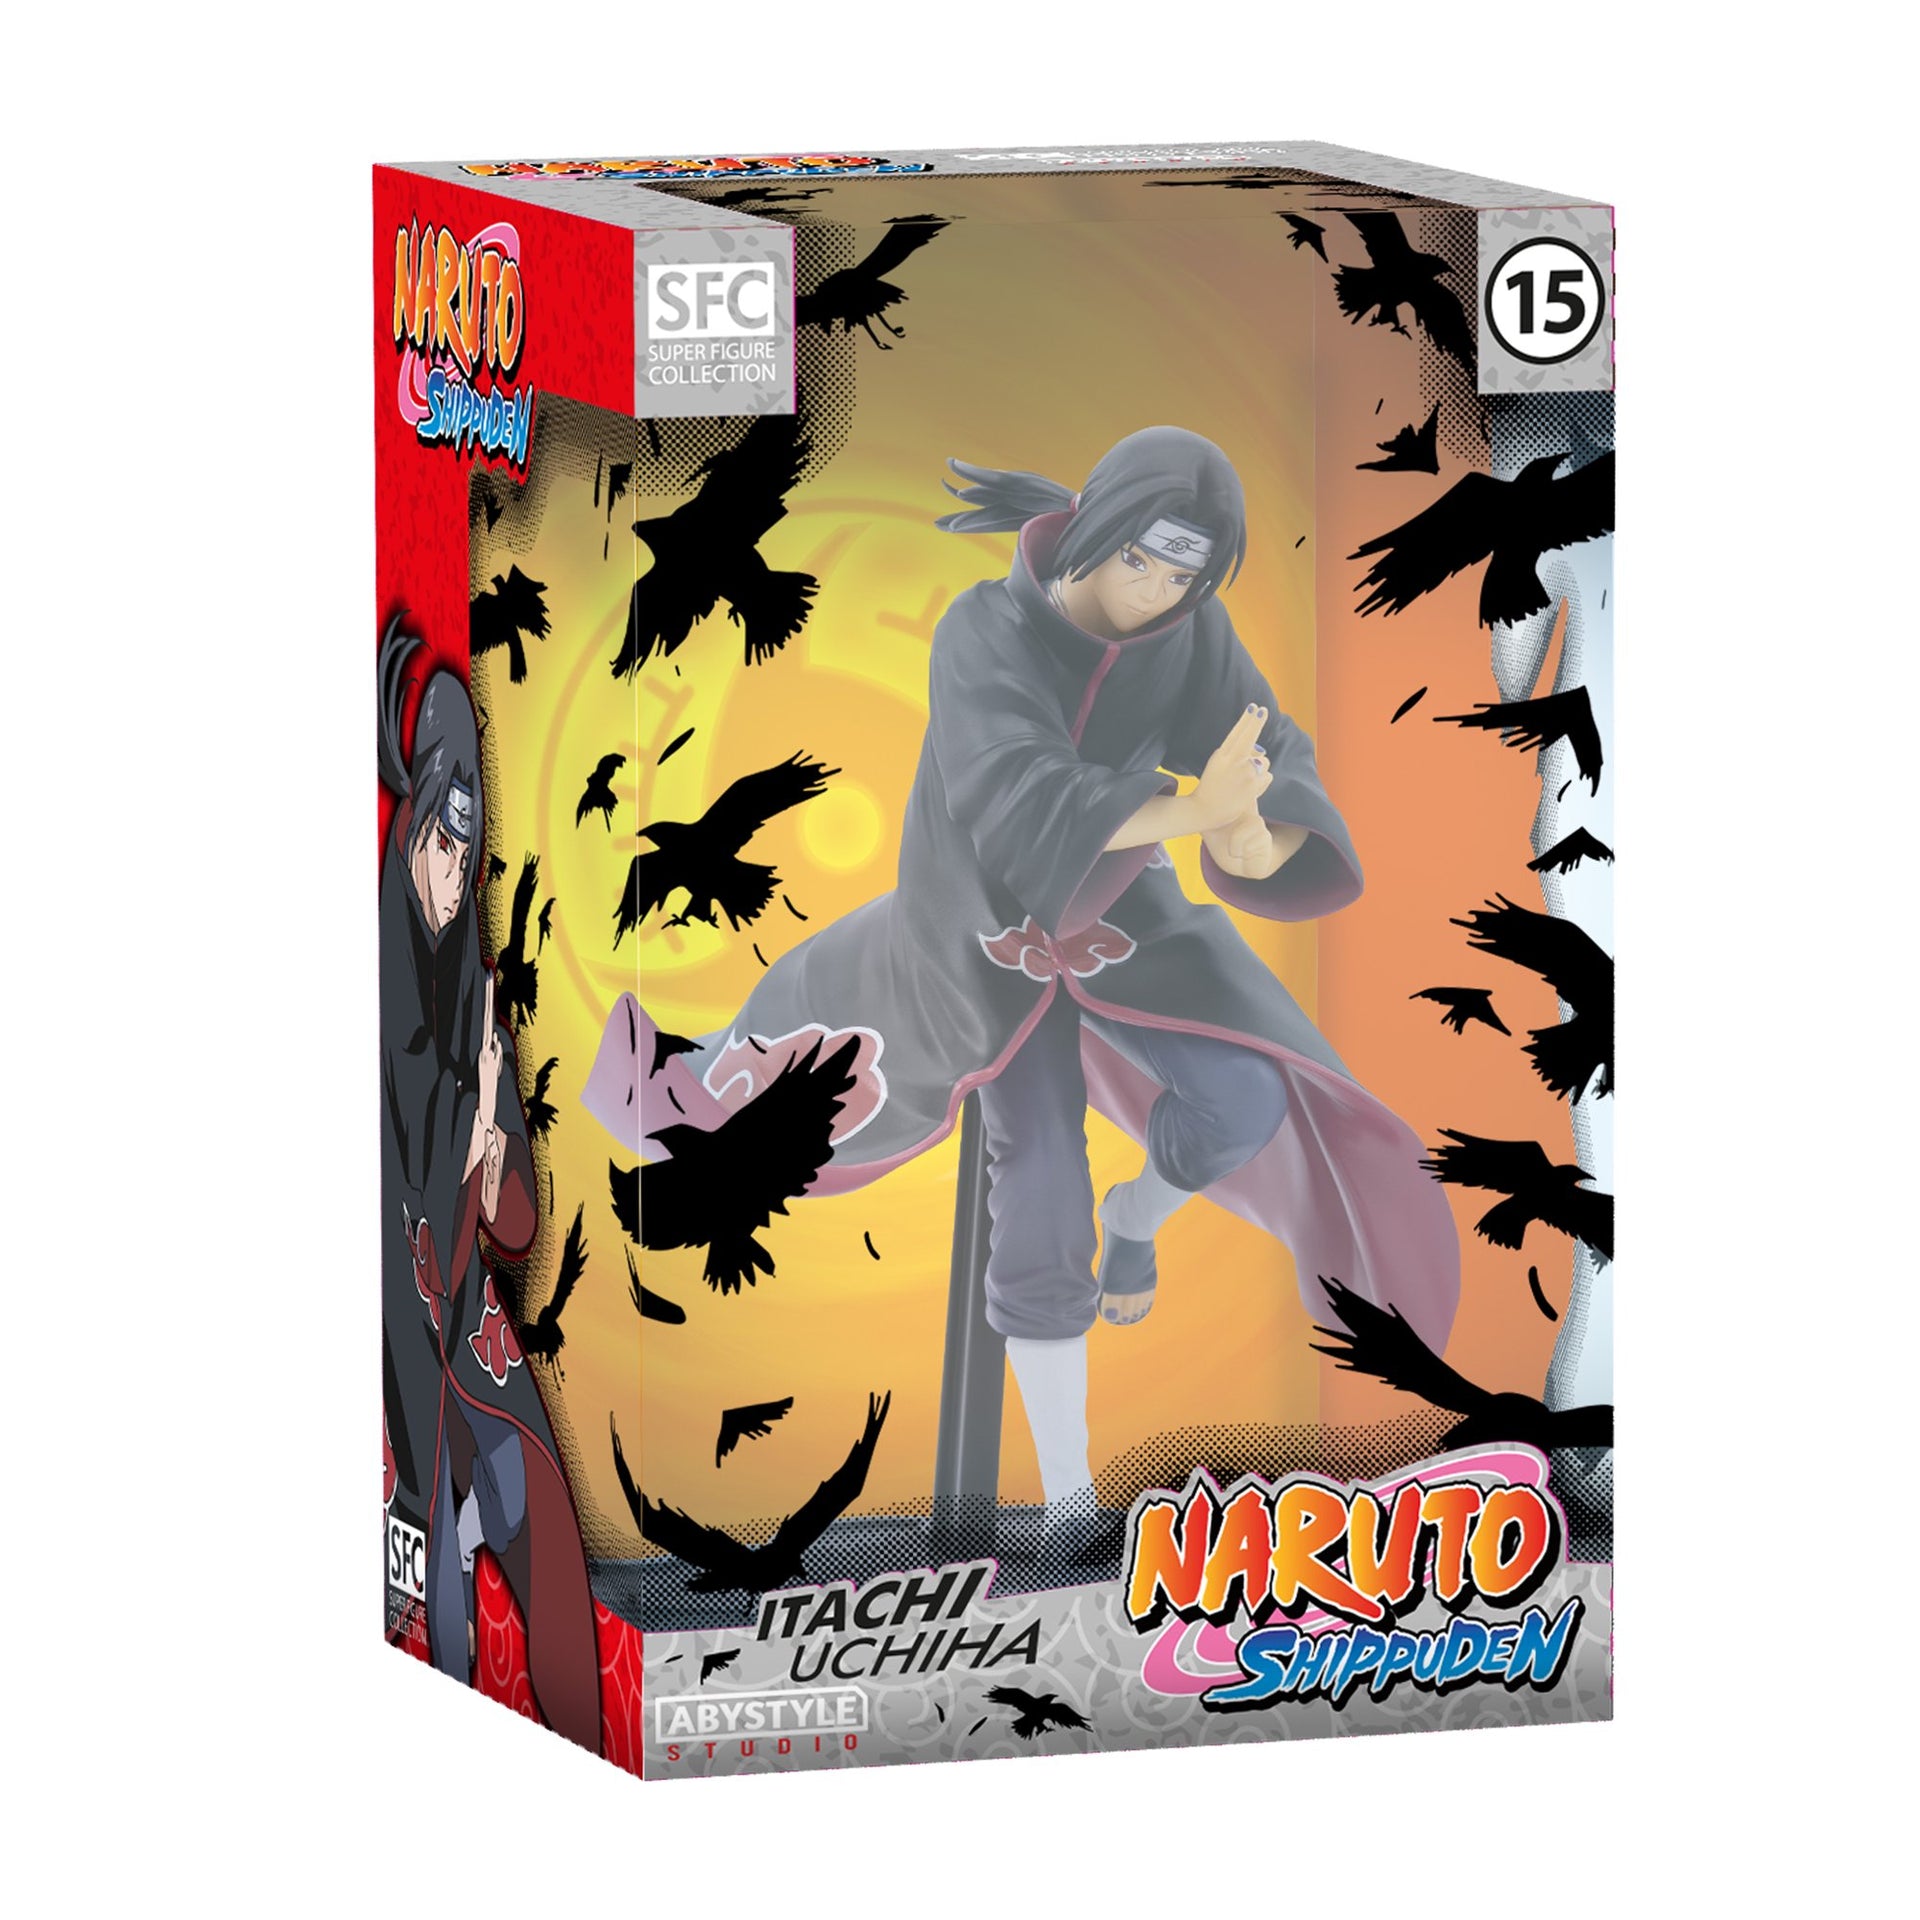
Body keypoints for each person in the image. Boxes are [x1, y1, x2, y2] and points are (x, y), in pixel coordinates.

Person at [598, 427, 1458, 1531]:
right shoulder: (982, 631)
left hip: (1121, 913)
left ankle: (1135, 1217)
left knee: (1246, 1095)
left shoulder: (1190, 635)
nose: (1157, 594)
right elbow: (1022, 797)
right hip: (977, 933)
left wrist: (1253, 835)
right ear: (1098, 531)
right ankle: (1068, 1498)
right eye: (1141, 561)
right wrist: (1194, 809)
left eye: (1184, 576)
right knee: (1040, 1187)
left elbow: (1266, 750)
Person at [377, 619, 601, 1748]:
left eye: (465, 856)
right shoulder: (377, 986)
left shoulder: (474, 1000)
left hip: (471, 1334)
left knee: (548, 1539)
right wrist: (463, 1136)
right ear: (412, 827)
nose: (448, 875)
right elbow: (411, 1202)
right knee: (434, 1621)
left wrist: (496, 1139)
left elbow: (514, 1232)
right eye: (437, 844)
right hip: (402, 1341)